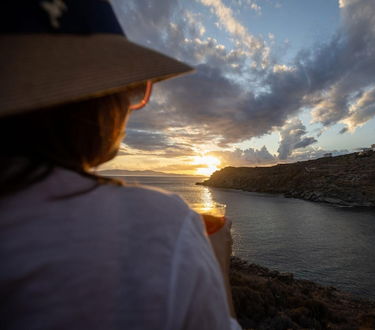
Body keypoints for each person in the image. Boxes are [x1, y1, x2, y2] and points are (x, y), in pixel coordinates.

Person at [0, 1, 240, 329]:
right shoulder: (165, 228)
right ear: (103, 102)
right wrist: (212, 258)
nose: (128, 110)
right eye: (130, 91)